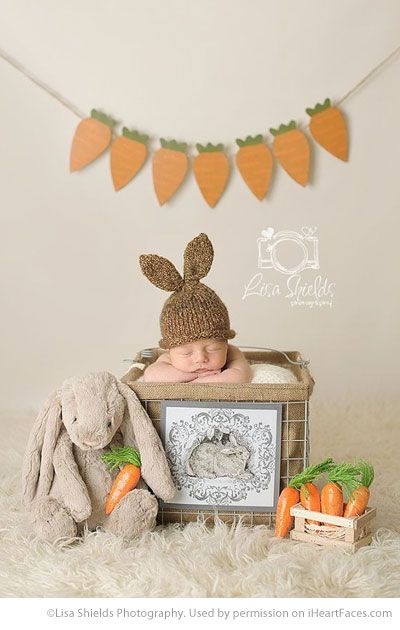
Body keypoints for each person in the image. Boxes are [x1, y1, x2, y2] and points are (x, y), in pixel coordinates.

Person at [139, 233, 252, 384]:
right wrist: (196, 376)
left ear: (225, 343)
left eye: (213, 349)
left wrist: (201, 384)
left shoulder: (232, 353)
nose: (201, 359)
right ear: (170, 349)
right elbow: (152, 376)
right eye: (186, 353)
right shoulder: (168, 358)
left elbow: (240, 376)